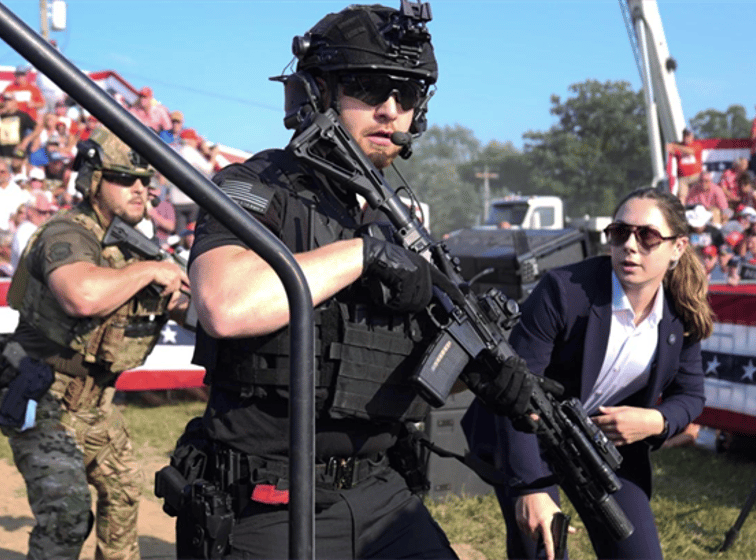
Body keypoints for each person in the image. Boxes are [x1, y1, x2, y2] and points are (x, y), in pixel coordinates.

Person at [175, 4, 523, 558]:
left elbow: (397, 365)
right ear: (318, 94)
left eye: (406, 96)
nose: (390, 110)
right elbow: (225, 304)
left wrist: (481, 373)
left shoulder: (402, 221)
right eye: (368, 88)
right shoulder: (254, 186)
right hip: (271, 497)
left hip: (384, 491)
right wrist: (362, 255)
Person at [467, 187, 712, 560]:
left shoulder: (681, 311)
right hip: (523, 431)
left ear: (677, 247)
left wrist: (656, 420)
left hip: (601, 446)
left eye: (647, 236)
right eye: (619, 233)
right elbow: (512, 387)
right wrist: (530, 488)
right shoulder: (564, 290)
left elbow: (691, 396)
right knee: (545, 550)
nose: (630, 245)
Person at [0, 125, 189, 560]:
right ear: (94, 180)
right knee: (66, 516)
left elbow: (187, 311)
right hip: (43, 395)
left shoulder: (134, 248)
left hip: (95, 402)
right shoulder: (68, 233)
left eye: (145, 181)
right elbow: (81, 296)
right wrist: (151, 271)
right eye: (124, 178)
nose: (139, 189)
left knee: (125, 491)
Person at [666, 128, 702, 203]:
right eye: (685, 135)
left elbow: (691, 151)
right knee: (682, 196)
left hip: (695, 176)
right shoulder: (679, 146)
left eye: (688, 136)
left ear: (692, 136)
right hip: (683, 177)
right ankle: (682, 211)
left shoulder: (696, 145)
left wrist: (676, 146)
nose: (686, 137)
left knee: (698, 194)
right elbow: (671, 151)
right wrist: (669, 147)